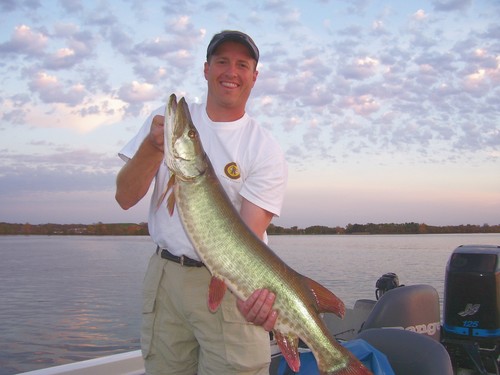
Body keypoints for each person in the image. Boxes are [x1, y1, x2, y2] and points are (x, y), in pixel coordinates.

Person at [115, 30, 288, 375]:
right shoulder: (164, 128)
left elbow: (244, 243)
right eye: (221, 61)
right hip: (165, 278)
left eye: (242, 64)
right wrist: (152, 147)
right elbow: (124, 197)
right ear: (206, 69)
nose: (231, 71)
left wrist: (256, 295)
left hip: (226, 285)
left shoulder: (265, 149)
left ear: (254, 76)